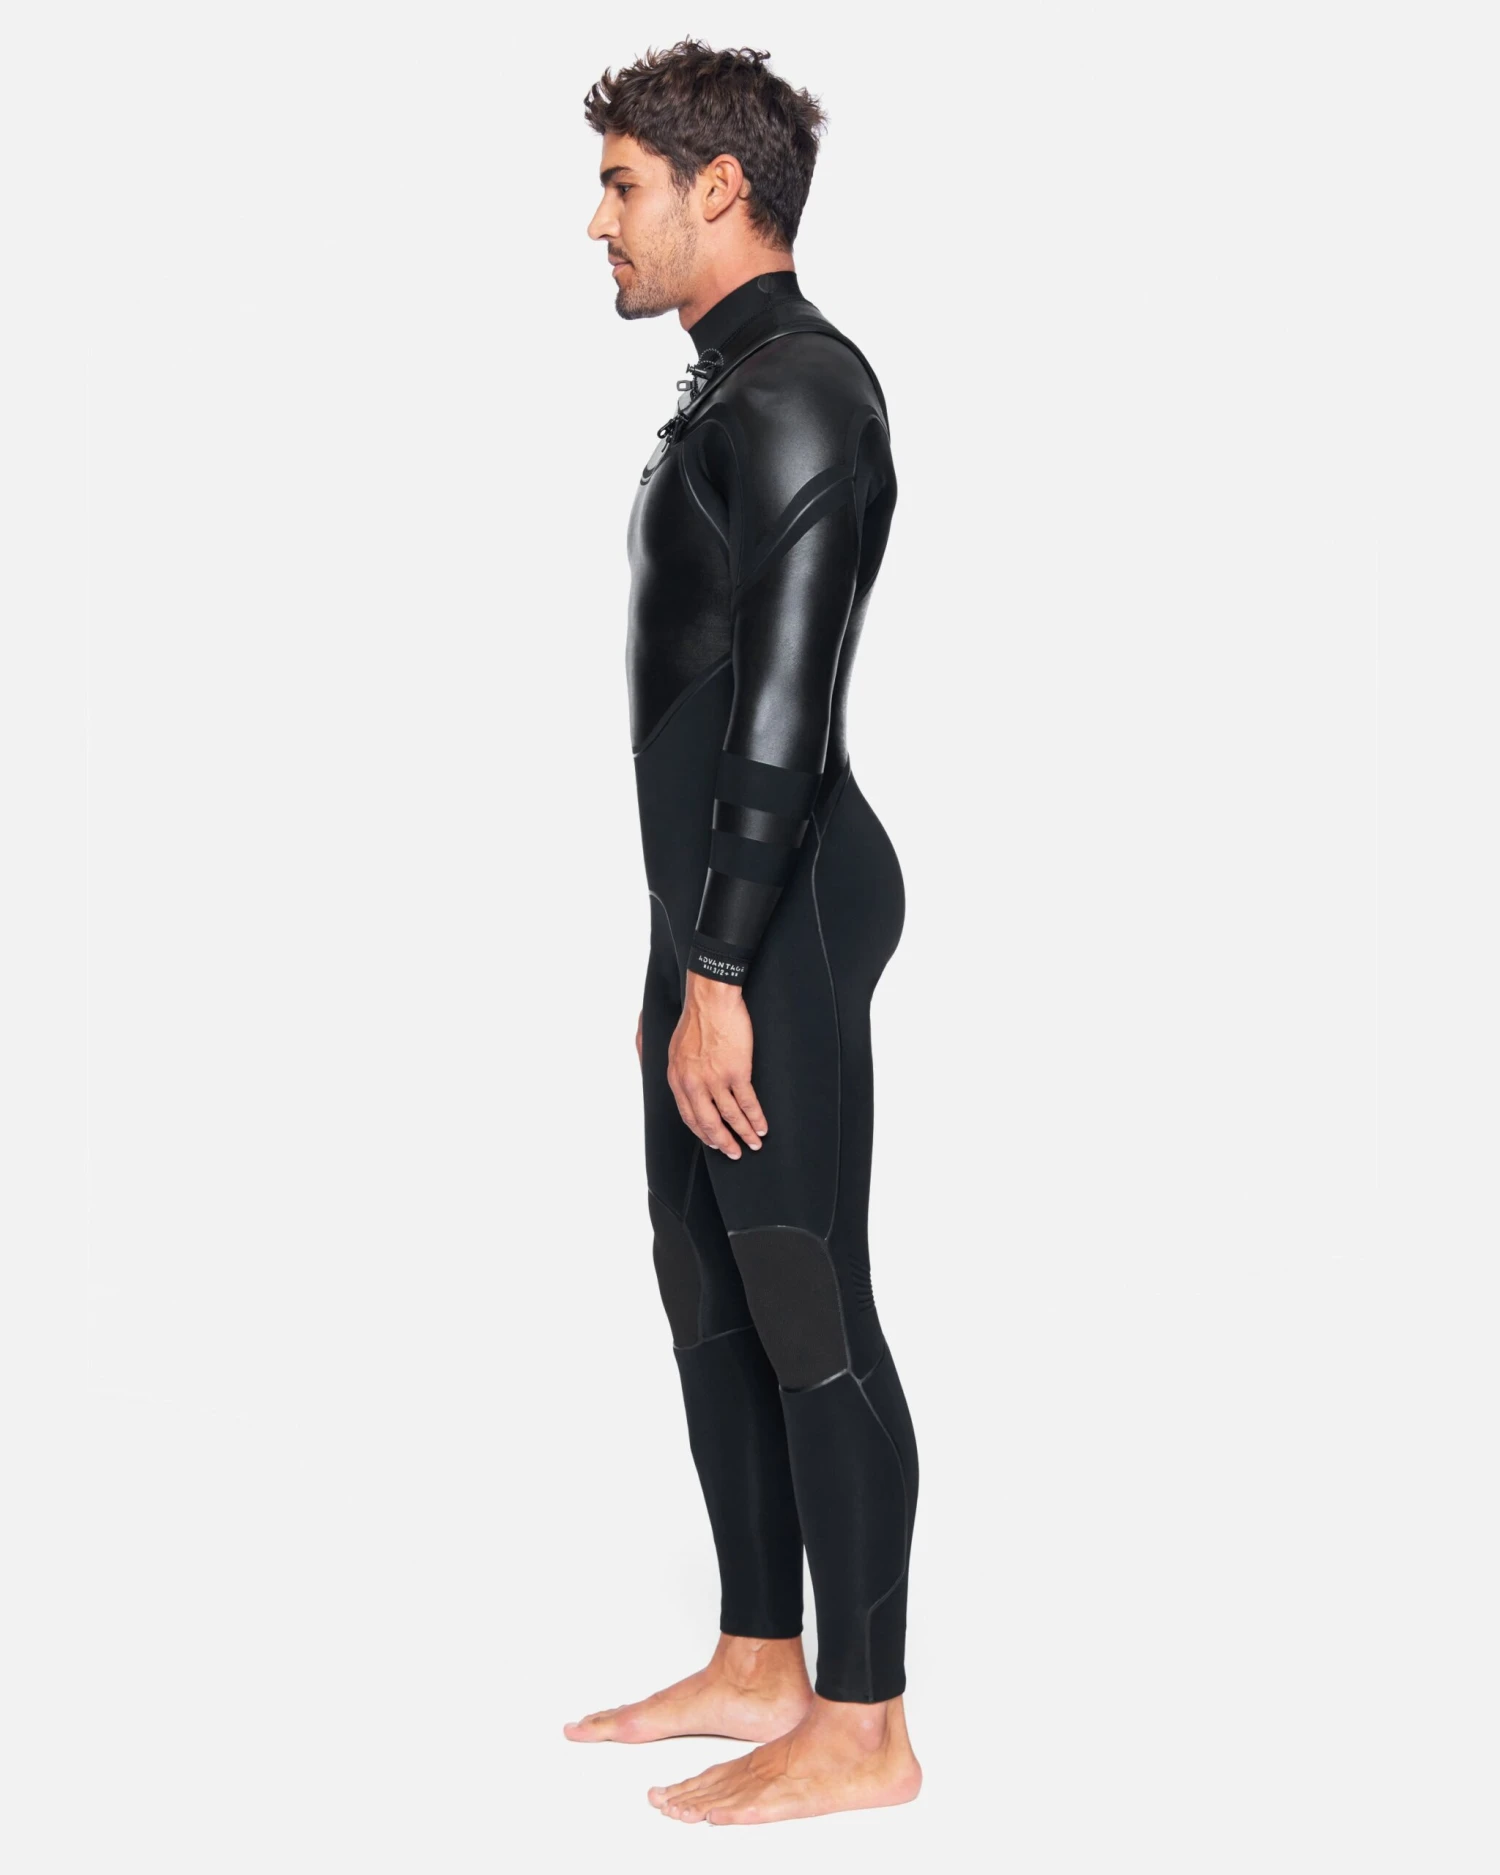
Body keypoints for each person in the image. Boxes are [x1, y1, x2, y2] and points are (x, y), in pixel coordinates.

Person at [565, 41, 921, 1826]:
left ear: (721, 187)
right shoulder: (734, 385)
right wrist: (676, 956)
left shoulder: (804, 394)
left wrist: (720, 970)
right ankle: (760, 1655)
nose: (598, 223)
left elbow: (780, 708)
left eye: (623, 183)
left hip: (776, 913)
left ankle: (864, 1722)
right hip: (708, 909)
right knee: (704, 1276)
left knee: (804, 1290)